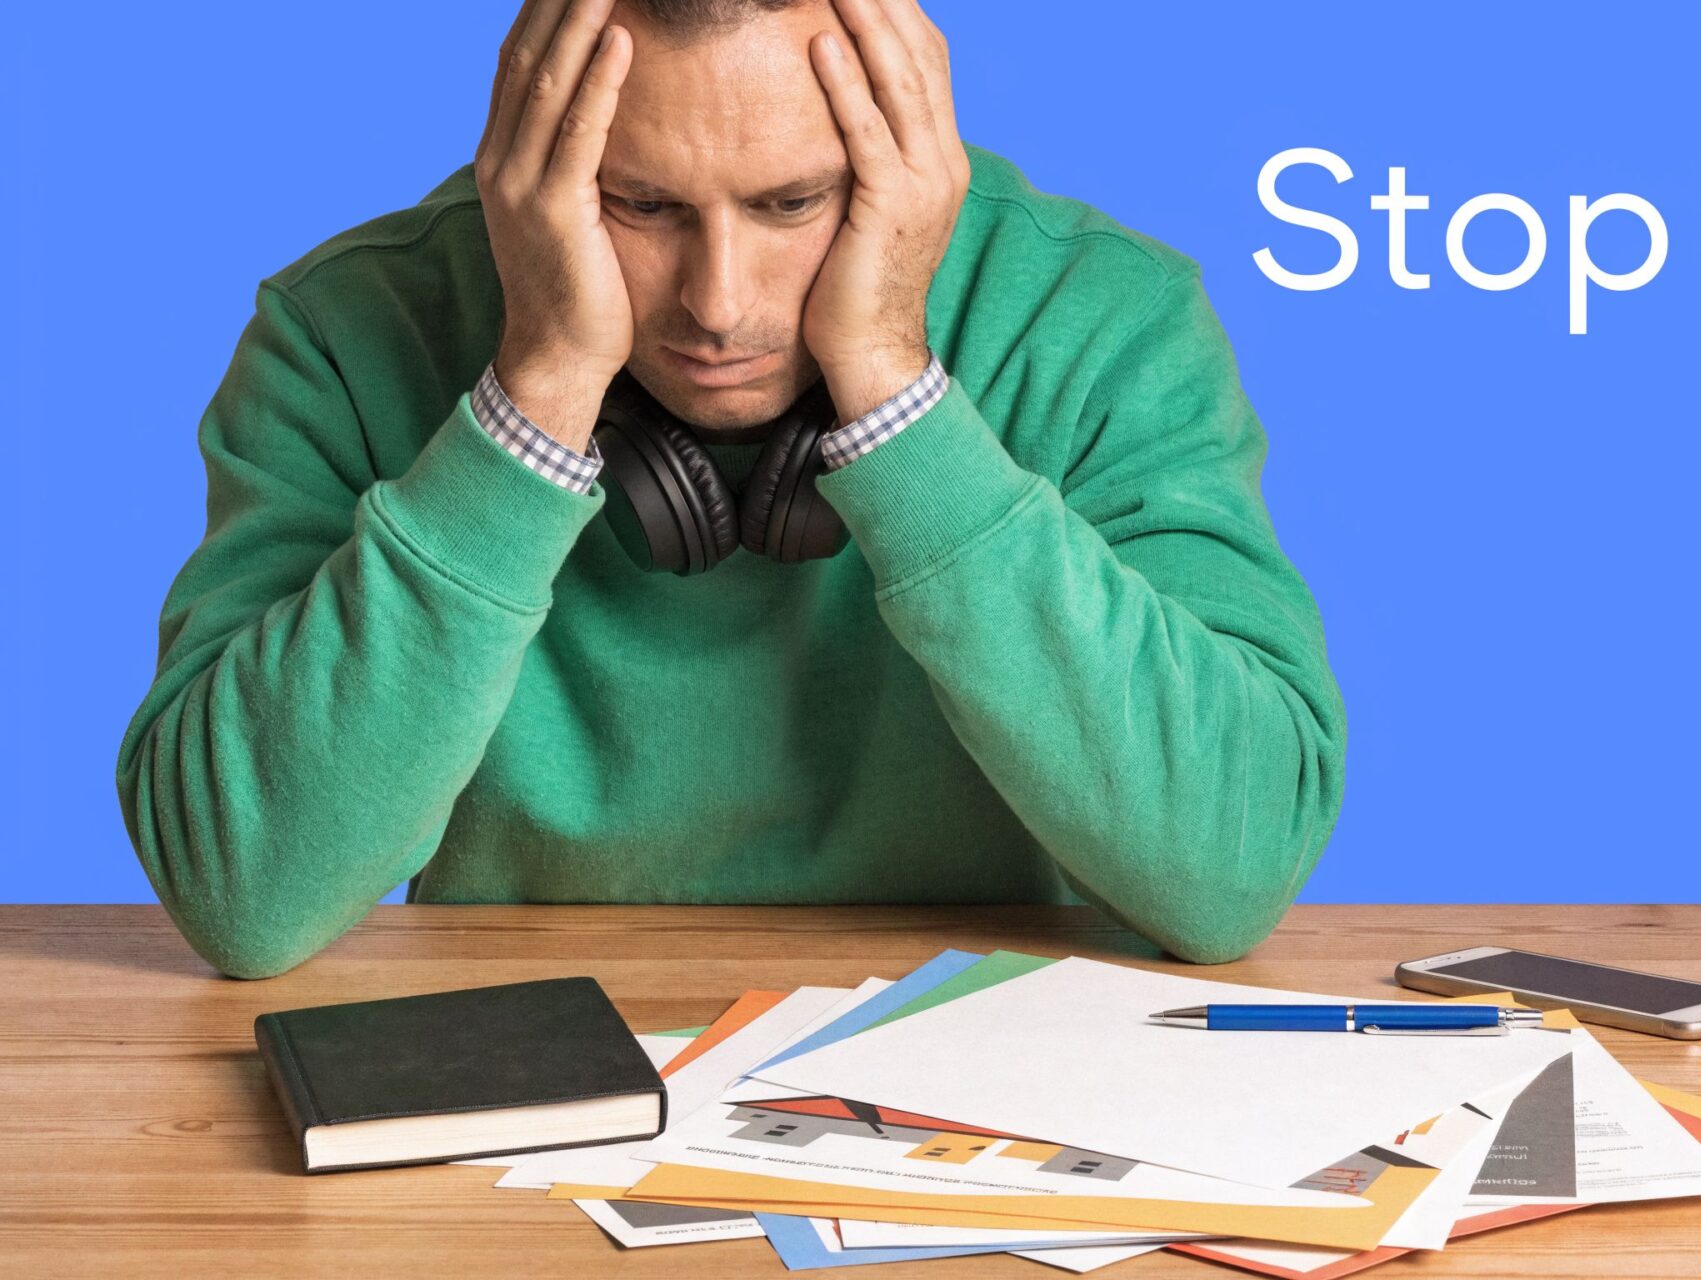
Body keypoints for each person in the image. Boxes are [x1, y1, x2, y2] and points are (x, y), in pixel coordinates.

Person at [114, 0, 1347, 979]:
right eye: (637, 204)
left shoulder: (1097, 319)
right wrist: (532, 394)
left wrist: (896, 394)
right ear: (532, 155)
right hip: (524, 1082)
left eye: (792, 204)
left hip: (979, 1089)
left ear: (906, 152)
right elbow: (244, 895)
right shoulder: (347, 331)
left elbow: (1229, 871)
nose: (719, 302)